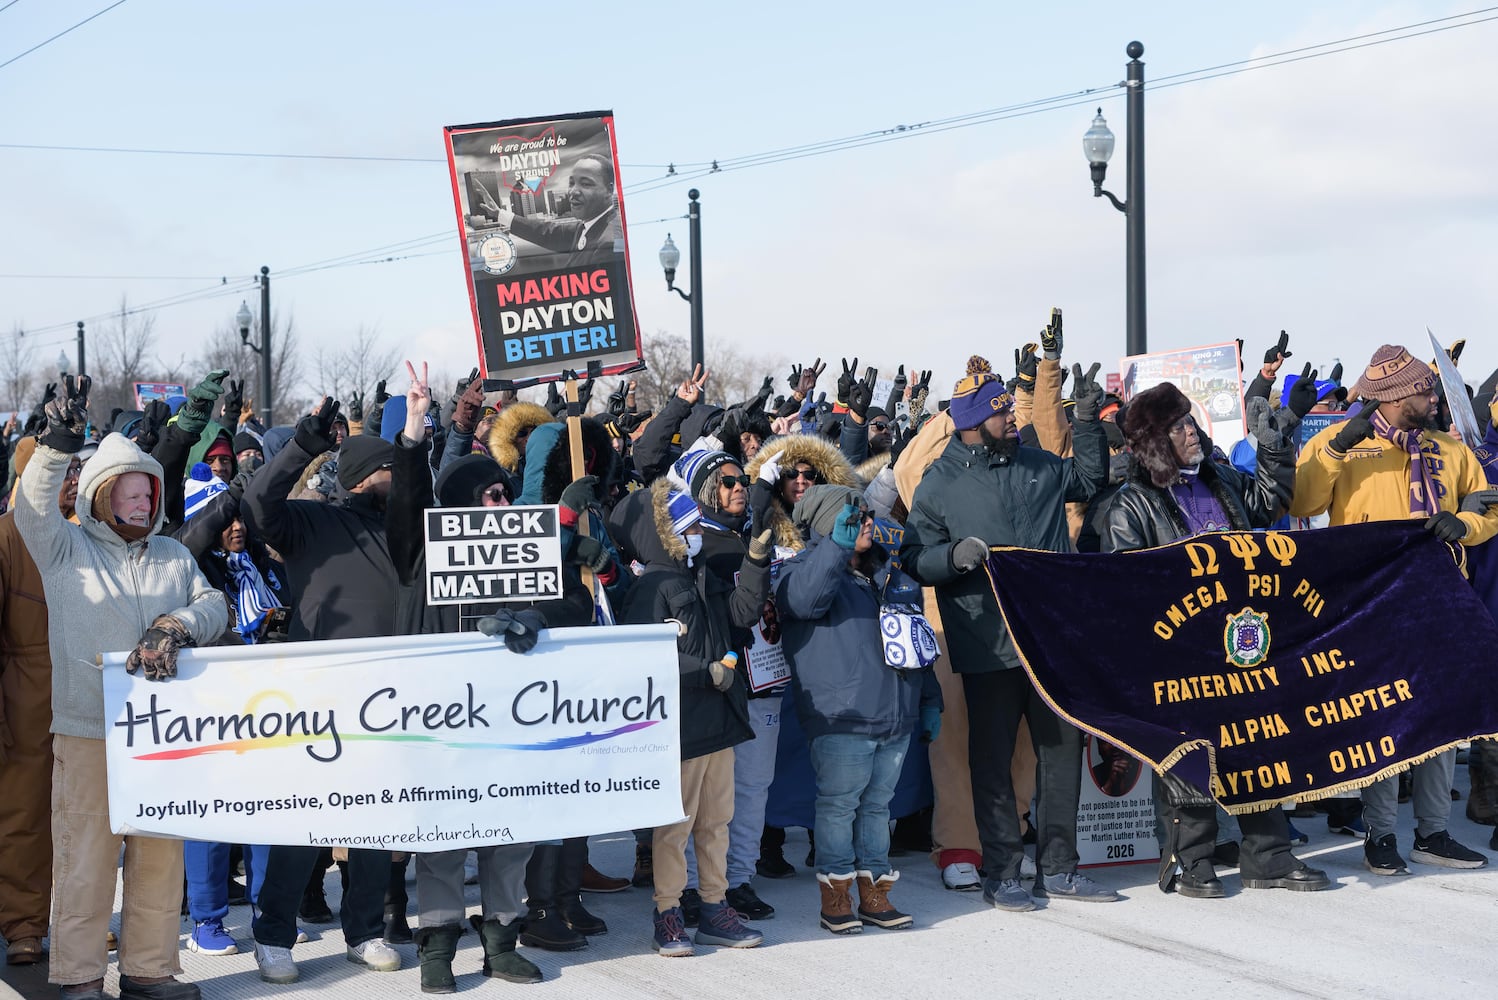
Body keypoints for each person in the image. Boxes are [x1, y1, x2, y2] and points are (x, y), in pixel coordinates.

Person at [16, 376, 227, 1000]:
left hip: (162, 736)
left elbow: (212, 604)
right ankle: (80, 978)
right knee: (85, 862)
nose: (140, 503)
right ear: (102, 494)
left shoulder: (173, 554)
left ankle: (149, 970)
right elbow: (30, 507)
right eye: (128, 493)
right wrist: (56, 445)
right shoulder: (63, 549)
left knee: (159, 860)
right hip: (87, 730)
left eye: (148, 493)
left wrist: (176, 623)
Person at [1096, 381, 1330, 897]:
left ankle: (1266, 856)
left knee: (1260, 742)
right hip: (1183, 651)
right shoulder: (1131, 506)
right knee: (1189, 754)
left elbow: (1269, 504)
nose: (1192, 432)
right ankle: (1190, 859)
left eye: (1190, 421)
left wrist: (1272, 448)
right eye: (1178, 426)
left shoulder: (1219, 477)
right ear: (1156, 441)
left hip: (1247, 641)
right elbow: (1127, 590)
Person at [900, 356, 1113, 911]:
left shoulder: (1039, 464)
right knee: (990, 760)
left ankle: (1062, 868)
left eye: (1009, 412)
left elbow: (1091, 478)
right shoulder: (939, 483)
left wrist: (1086, 421)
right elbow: (913, 556)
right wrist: (953, 556)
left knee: (1062, 751)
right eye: (1000, 415)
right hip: (987, 642)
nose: (1010, 421)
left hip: (1049, 641)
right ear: (972, 423)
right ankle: (1002, 873)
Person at [1290, 344, 1496, 876]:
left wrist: (1466, 526)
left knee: (1443, 718)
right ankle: (1380, 834)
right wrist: (1336, 447)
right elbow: (1303, 503)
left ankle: (1434, 832)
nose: (1436, 397)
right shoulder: (1339, 446)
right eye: (1426, 390)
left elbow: (1489, 504)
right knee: (1383, 716)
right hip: (1372, 605)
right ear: (1400, 396)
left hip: (1442, 601)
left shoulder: (1451, 450)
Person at [241, 397, 403, 983]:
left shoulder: (405, 533)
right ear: (362, 478)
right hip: (319, 698)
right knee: (306, 821)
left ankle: (363, 930)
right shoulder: (312, 522)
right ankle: (274, 937)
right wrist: (304, 445)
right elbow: (258, 504)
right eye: (391, 469)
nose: (400, 480)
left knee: (373, 826)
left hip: (389, 700)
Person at [610, 468, 772, 957]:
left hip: (720, 720)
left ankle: (715, 907)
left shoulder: (705, 576)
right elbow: (645, 654)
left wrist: (757, 563)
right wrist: (705, 671)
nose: (701, 534)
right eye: (693, 528)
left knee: (716, 820)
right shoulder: (651, 586)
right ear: (673, 534)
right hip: (680, 725)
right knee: (675, 826)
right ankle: (668, 913)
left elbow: (743, 617)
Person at [775, 484, 941, 934]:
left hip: (895, 714)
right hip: (841, 716)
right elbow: (807, 601)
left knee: (878, 809)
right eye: (854, 515)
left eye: (867, 513)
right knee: (838, 807)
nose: (867, 521)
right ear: (829, 523)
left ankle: (875, 894)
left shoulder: (887, 573)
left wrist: (929, 700)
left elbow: (915, 645)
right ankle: (837, 896)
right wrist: (835, 548)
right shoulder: (796, 571)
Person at [0, 440, 81, 967]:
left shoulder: (84, 535)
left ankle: (78, 918)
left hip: (79, 689)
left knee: (81, 817)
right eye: (59, 471)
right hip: (23, 695)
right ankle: (24, 924)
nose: (70, 479)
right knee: (25, 815)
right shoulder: (6, 536)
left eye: (74, 470)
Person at [475, 154, 621, 265]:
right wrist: (498, 213)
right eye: (572, 183)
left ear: (609, 190)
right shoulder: (586, 227)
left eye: (586, 184)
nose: (573, 191)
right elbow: (544, 232)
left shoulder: (609, 243)